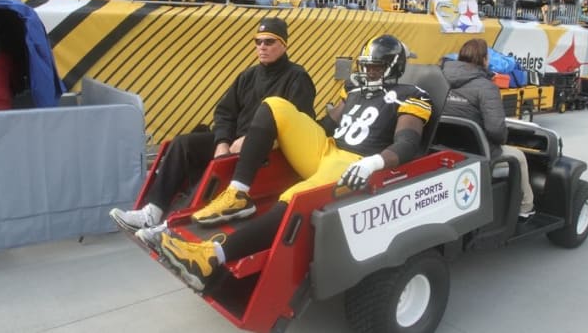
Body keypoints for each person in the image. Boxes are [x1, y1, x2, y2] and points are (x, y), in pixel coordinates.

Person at [151, 35, 432, 291]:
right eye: (367, 66)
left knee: (294, 197)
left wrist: (372, 164)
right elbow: (324, 125)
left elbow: (407, 143)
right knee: (275, 104)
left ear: (393, 67)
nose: (369, 72)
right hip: (326, 148)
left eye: (376, 67)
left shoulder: (410, 95)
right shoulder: (354, 91)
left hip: (354, 162)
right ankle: (238, 193)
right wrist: (275, 135)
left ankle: (208, 258)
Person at [109, 17, 316, 234]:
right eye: (258, 41)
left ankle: (172, 226)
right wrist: (222, 142)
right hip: (233, 141)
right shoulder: (248, 76)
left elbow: (300, 124)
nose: (262, 47)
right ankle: (152, 210)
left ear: (283, 44)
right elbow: (225, 112)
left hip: (263, 152)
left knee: (217, 169)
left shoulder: (298, 78)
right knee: (182, 144)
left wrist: (253, 141)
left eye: (269, 42)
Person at [441, 38, 535, 218]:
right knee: (519, 157)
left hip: (444, 147)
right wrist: (502, 139)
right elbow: (496, 132)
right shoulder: (487, 87)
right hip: (478, 153)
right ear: (484, 60)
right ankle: (525, 207)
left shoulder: (439, 78)